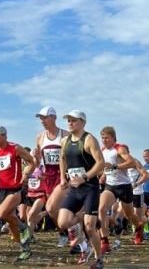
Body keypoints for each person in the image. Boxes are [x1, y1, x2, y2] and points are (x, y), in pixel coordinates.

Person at [0, 126, 35, 261]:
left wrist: (26, 174)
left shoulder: (15, 148)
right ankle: (25, 249)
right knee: (10, 224)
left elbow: (32, 162)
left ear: (4, 135)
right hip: (3, 189)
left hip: (16, 188)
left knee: (2, 214)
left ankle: (24, 227)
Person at [58, 110, 105, 269]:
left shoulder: (89, 139)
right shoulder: (64, 140)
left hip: (90, 188)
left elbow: (100, 163)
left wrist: (84, 177)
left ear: (83, 122)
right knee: (62, 221)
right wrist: (63, 177)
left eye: (74, 120)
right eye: (69, 121)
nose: (70, 123)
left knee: (90, 228)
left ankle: (99, 259)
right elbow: (62, 159)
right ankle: (86, 222)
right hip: (74, 188)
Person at [98, 126, 143, 253]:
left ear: (113, 138)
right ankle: (104, 241)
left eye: (107, 138)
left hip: (124, 186)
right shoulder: (103, 150)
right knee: (102, 209)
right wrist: (102, 175)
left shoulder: (119, 149)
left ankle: (138, 227)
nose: (104, 140)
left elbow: (132, 162)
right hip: (110, 186)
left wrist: (115, 166)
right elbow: (106, 168)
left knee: (129, 214)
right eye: (102, 138)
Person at [35, 106, 71, 247]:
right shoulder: (40, 137)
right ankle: (64, 232)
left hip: (63, 175)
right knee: (53, 210)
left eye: (45, 117)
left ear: (54, 118)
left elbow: (70, 157)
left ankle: (73, 230)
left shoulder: (65, 135)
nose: (42, 121)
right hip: (48, 175)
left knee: (53, 207)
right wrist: (36, 157)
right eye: (41, 118)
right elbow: (38, 162)